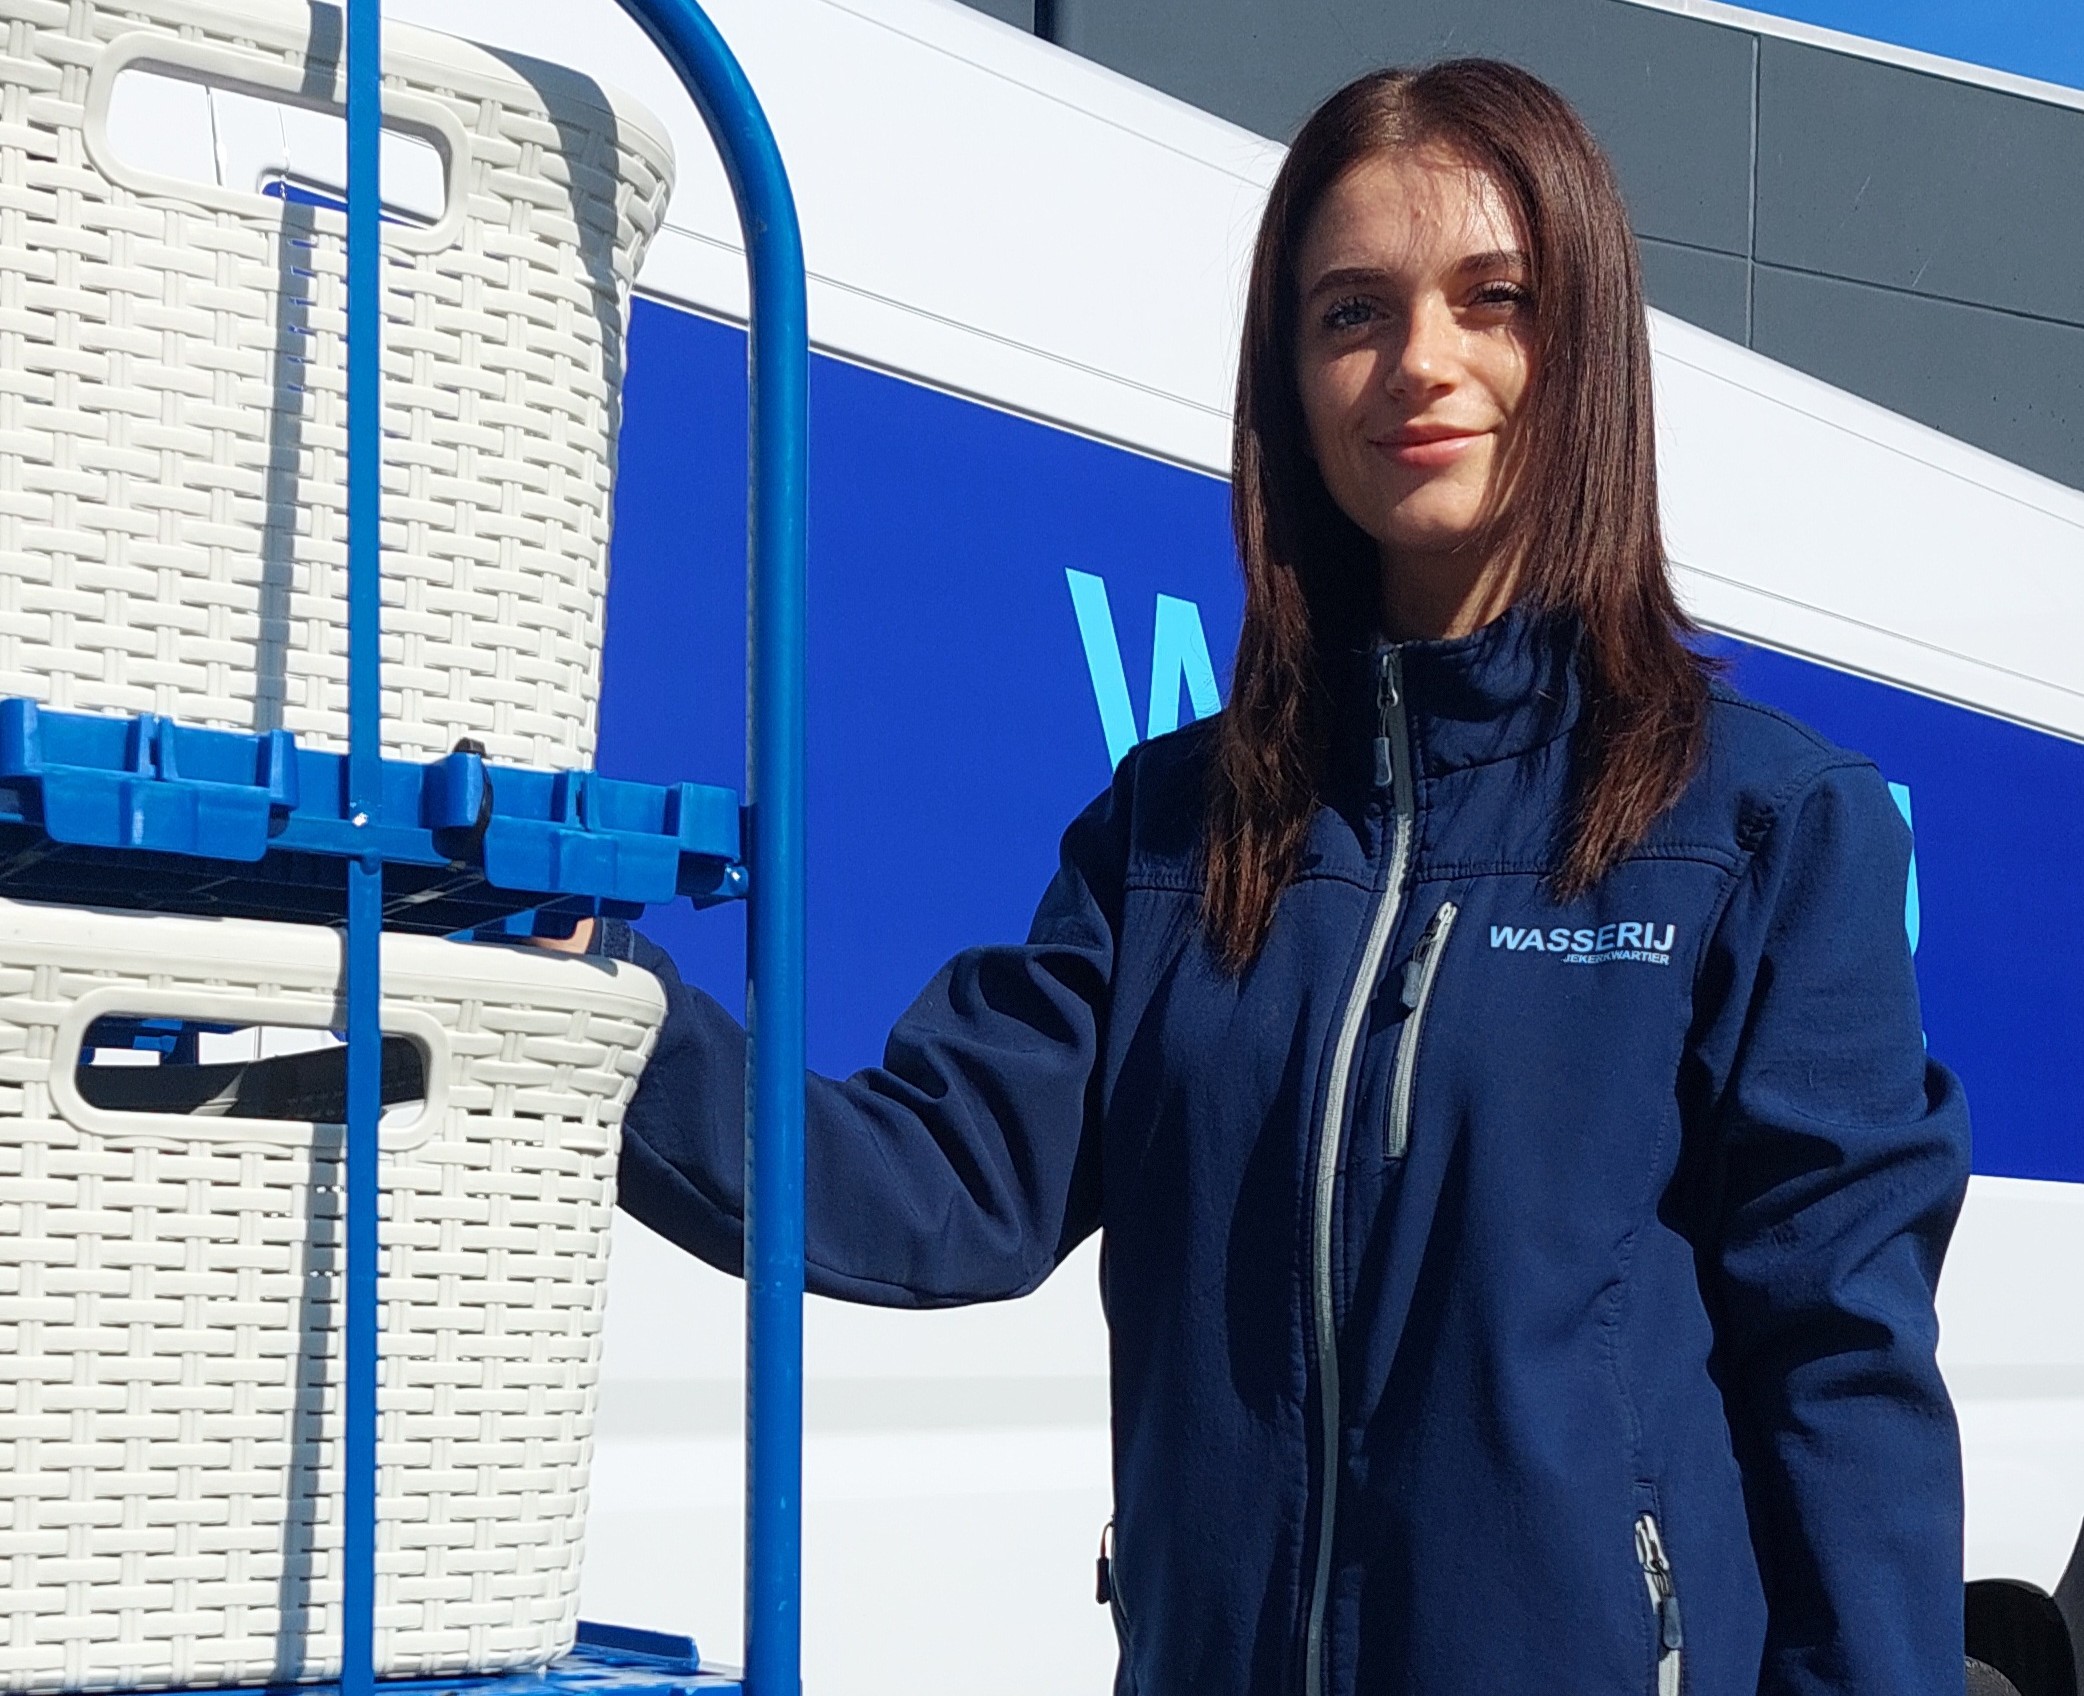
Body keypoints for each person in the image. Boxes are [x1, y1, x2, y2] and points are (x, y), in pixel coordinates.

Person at [592, 58, 1971, 1696]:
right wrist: (594, 1015)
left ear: (1586, 341)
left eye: (1494, 299)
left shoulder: (1757, 826)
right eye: (1352, 313)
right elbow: (941, 1184)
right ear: (1292, 379)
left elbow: (1843, 1376)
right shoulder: (1174, 830)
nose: (1421, 362)